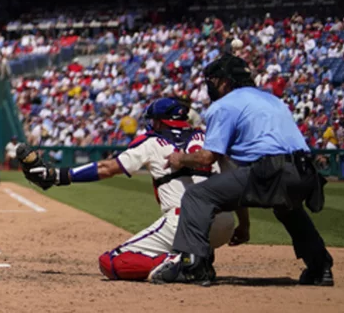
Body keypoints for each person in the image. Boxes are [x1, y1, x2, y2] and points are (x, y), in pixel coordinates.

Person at [149, 54, 333, 286]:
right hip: (306, 173)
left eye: (212, 81)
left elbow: (207, 157)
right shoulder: (274, 100)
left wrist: (180, 159)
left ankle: (192, 266)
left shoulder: (224, 106)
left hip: (270, 171)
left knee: (197, 196)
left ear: (225, 82)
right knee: (288, 207)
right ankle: (320, 267)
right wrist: (244, 223)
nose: (209, 86)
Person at [17, 98, 235, 281]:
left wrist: (57, 176)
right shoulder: (209, 138)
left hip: (186, 222)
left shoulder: (152, 142)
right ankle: (198, 258)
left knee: (111, 262)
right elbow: (235, 178)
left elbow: (107, 168)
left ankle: (186, 263)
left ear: (159, 122)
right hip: (225, 222)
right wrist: (243, 225)